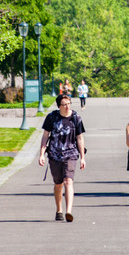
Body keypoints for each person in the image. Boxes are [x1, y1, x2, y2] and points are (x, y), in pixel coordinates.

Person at [38, 94, 86, 222]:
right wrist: (41, 154)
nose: (67, 106)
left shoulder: (76, 117)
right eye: (64, 104)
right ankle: (59, 210)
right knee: (58, 184)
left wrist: (82, 157)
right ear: (59, 106)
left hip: (71, 154)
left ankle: (69, 211)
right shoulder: (52, 117)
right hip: (55, 155)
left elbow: (79, 138)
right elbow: (45, 136)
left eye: (69, 103)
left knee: (68, 181)